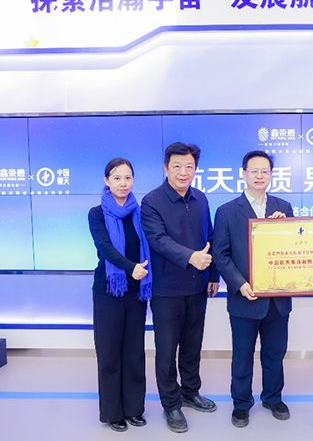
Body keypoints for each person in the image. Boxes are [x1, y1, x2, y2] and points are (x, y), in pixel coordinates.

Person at [141, 143, 219, 433]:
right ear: (166, 168)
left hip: (198, 287)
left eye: (189, 167)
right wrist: (190, 257)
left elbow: (210, 236)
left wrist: (212, 274)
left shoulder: (201, 198)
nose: (183, 172)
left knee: (192, 345)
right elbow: (158, 240)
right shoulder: (152, 201)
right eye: (177, 166)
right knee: (166, 350)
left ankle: (190, 392)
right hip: (166, 290)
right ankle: (171, 404)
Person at [212, 150, 294, 428]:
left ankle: (273, 398)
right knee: (242, 354)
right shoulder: (226, 211)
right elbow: (221, 254)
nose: (260, 176)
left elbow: (295, 248)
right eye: (254, 171)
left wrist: (285, 229)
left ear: (271, 175)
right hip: (244, 297)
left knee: (275, 352)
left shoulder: (284, 207)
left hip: (277, 299)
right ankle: (241, 403)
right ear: (244, 174)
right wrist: (240, 283)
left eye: (265, 171)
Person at [88, 157, 151, 432]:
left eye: (127, 178)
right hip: (109, 289)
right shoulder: (96, 213)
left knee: (134, 351)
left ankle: (134, 409)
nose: (123, 183)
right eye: (117, 178)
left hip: (137, 291)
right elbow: (105, 249)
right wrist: (130, 268)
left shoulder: (141, 212)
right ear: (107, 180)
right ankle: (113, 412)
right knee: (110, 351)